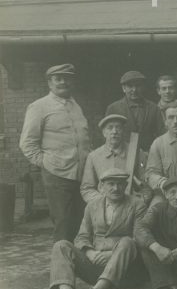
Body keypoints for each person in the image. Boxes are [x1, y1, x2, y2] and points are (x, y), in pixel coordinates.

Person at [47, 169, 146, 289]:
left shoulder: (137, 204)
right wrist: (90, 253)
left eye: (120, 184)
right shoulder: (92, 206)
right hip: (96, 265)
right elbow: (81, 237)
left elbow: (139, 238)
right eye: (111, 184)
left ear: (126, 185)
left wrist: (111, 254)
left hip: (126, 269)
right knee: (61, 245)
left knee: (128, 241)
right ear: (102, 186)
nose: (115, 188)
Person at [20, 63, 90, 242]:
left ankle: (80, 265)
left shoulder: (75, 106)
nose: (63, 82)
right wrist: (46, 163)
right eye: (58, 78)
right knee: (64, 223)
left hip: (81, 174)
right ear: (49, 83)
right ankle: (62, 267)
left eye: (67, 78)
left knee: (82, 222)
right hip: (58, 175)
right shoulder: (39, 106)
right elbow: (27, 143)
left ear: (72, 82)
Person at [80, 114, 150, 204]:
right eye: (110, 128)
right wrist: (102, 203)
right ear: (104, 133)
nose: (114, 131)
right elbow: (87, 188)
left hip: (131, 205)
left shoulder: (137, 152)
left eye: (118, 127)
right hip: (103, 206)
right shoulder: (93, 156)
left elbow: (146, 186)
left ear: (123, 131)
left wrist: (138, 202)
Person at [106, 71, 163, 151]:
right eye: (130, 86)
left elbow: (161, 135)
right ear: (124, 88)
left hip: (148, 154)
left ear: (143, 87)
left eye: (138, 86)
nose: (134, 90)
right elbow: (107, 137)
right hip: (122, 154)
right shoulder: (113, 108)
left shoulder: (154, 108)